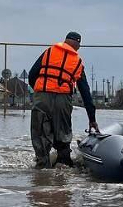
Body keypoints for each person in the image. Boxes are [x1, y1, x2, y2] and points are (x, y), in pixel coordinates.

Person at [28, 31, 98, 168]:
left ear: (65, 41)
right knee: (63, 135)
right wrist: (92, 119)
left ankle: (42, 168)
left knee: (40, 135)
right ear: (78, 45)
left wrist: (39, 90)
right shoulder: (77, 62)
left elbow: (32, 74)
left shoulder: (49, 52)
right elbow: (86, 93)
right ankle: (63, 166)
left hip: (42, 96)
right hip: (63, 99)